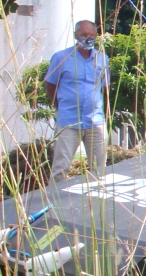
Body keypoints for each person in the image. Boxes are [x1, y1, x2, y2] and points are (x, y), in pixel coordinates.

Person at [44, 20, 110, 181]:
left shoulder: (102, 59)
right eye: (83, 35)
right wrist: (60, 105)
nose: (88, 38)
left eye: (91, 35)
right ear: (76, 35)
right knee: (60, 167)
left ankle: (97, 203)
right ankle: (58, 203)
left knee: (99, 169)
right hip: (69, 120)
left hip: (95, 121)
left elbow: (105, 88)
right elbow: (50, 85)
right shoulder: (61, 57)